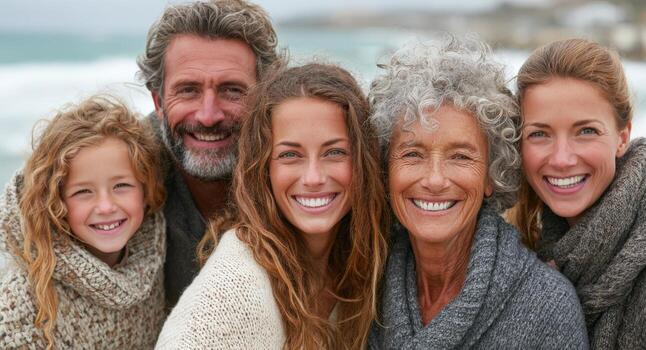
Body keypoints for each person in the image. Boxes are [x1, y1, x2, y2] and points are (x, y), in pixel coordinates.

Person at [367, 37, 588, 349]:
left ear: (491, 175)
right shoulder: (363, 287)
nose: (434, 180)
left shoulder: (547, 307)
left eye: (460, 156)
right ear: (386, 169)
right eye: (412, 154)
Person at [155, 63, 388, 349]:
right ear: (263, 167)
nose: (313, 177)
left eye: (335, 152)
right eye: (290, 154)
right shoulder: (233, 295)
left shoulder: (357, 260)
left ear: (364, 161)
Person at [510, 38, 646, 348]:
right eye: (539, 134)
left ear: (622, 137)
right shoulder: (542, 249)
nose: (562, 158)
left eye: (586, 131)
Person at [136, 0, 279, 307]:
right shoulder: (120, 172)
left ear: (266, 97)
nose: (208, 116)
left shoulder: (303, 173)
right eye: (188, 89)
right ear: (158, 102)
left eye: (232, 90)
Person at [0, 95, 166, 348]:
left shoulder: (154, 257)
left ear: (146, 190)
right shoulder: (22, 301)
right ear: (56, 202)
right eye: (83, 192)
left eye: (121, 185)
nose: (106, 206)